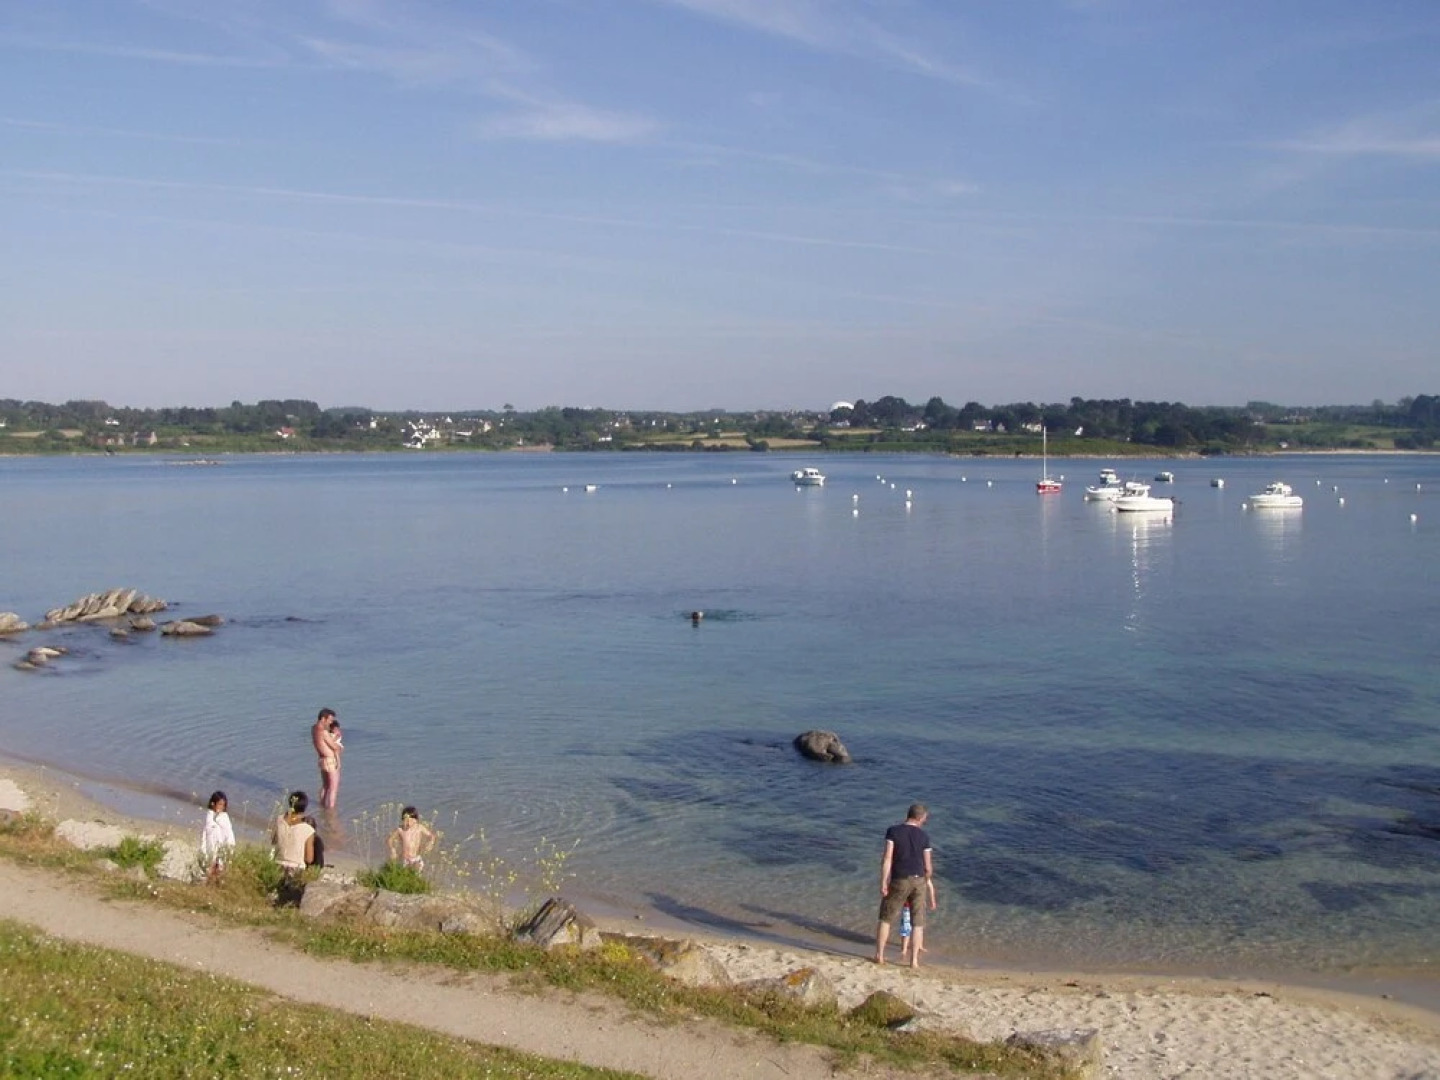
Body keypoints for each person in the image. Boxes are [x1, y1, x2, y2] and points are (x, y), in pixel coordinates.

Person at [874, 802, 937, 967]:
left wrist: (884, 881)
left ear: (908, 814)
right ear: (921, 818)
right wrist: (926, 878)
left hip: (900, 878)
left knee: (886, 918)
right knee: (918, 922)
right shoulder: (924, 836)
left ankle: (880, 956)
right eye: (925, 819)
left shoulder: (893, 831)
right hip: (919, 879)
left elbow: (887, 858)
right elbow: (928, 866)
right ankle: (914, 961)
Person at [273, 790, 316, 876]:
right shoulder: (308, 830)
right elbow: (309, 859)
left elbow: (274, 841)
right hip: (296, 868)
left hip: (277, 864)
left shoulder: (279, 820)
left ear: (290, 804)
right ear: (305, 807)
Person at [199, 790, 236, 883]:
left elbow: (228, 833)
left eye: (223, 805)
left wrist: (228, 847)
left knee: (220, 869)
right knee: (209, 867)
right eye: (219, 804)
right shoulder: (209, 815)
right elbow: (207, 831)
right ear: (213, 803)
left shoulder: (224, 817)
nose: (221, 807)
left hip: (222, 845)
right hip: (211, 845)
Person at [387, 806, 438, 871]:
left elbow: (431, 836)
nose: (408, 823)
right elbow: (390, 840)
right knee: (404, 874)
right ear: (402, 820)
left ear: (416, 820)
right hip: (404, 859)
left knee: (416, 872)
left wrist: (431, 843)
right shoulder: (400, 829)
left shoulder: (419, 828)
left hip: (416, 858)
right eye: (406, 821)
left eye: (411, 820)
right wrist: (392, 849)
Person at [312, 707, 342, 810]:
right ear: (323, 719)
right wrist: (339, 746)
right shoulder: (323, 732)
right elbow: (334, 746)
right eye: (329, 720)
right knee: (333, 788)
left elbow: (322, 743)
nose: (330, 723)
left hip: (321, 759)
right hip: (330, 760)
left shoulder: (314, 729)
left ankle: (322, 808)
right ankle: (330, 813)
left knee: (325, 786)